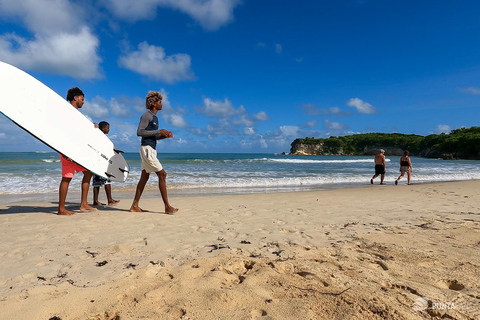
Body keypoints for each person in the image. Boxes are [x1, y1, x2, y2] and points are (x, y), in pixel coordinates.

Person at [130, 91, 178, 214]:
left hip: (150, 149)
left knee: (144, 178)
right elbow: (140, 132)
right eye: (160, 102)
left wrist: (164, 136)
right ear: (154, 104)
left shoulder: (155, 118)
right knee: (162, 175)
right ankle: (167, 207)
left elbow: (152, 136)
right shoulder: (147, 115)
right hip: (147, 149)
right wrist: (158, 131)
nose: (162, 104)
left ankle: (134, 205)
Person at [58, 87, 96, 215]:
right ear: (75, 98)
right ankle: (61, 209)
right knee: (67, 177)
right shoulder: (66, 112)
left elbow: (80, 132)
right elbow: (61, 132)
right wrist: (65, 152)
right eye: (82, 99)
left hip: (75, 151)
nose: (83, 102)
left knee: (88, 172)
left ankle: (84, 204)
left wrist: (93, 127)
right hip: (67, 150)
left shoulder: (76, 114)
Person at [92, 121, 120, 206]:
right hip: (100, 162)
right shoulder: (99, 136)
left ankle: (98, 200)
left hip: (99, 161)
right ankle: (106, 200)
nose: (109, 130)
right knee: (105, 181)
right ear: (103, 128)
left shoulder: (100, 136)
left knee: (100, 181)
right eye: (107, 128)